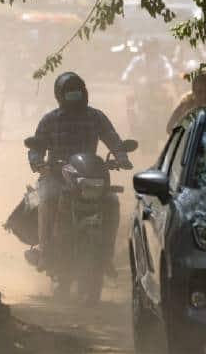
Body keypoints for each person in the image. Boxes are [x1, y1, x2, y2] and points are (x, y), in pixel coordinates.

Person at [28, 72, 133, 278]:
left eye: (77, 92)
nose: (74, 96)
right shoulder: (49, 120)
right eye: (69, 93)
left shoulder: (96, 117)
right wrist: (38, 162)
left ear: (84, 92)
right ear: (59, 95)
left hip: (90, 177)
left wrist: (121, 156)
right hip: (56, 175)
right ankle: (45, 251)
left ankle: (105, 257)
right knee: (48, 198)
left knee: (112, 202)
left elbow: (112, 138)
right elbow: (36, 146)